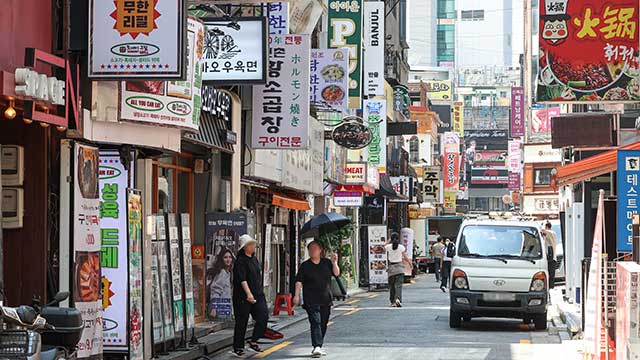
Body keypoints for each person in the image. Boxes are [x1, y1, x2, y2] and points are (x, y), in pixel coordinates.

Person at [293, 241, 340, 358]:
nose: (312, 251)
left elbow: (337, 273)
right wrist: (296, 295)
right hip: (311, 299)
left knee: (323, 323)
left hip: (325, 298)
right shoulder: (305, 265)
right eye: (310, 249)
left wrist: (335, 262)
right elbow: (299, 281)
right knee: (316, 321)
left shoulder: (327, 263)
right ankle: (317, 346)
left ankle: (319, 345)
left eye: (315, 248)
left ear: (320, 250)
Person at [231, 235, 268, 357]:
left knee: (263, 317)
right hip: (243, 296)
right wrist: (248, 294)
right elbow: (242, 279)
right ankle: (238, 348)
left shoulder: (254, 259)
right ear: (245, 247)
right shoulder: (240, 261)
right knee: (242, 321)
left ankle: (253, 341)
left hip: (257, 293)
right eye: (251, 244)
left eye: (253, 244)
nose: (253, 246)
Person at [385, 233, 413, 307]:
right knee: (398, 285)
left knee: (392, 286)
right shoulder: (401, 247)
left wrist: (389, 240)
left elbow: (383, 246)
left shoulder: (388, 247)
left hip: (391, 269)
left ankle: (392, 302)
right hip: (399, 268)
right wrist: (410, 264)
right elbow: (405, 257)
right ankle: (398, 299)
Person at [209, 248, 234, 318]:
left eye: (230, 257)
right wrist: (214, 308)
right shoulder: (222, 273)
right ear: (221, 259)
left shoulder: (228, 273)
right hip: (221, 309)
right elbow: (215, 291)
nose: (228, 259)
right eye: (225, 257)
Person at [541, 222, 558, 288]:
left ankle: (550, 289)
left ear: (546, 226)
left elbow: (544, 231)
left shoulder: (551, 233)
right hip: (548, 258)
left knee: (551, 276)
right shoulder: (546, 235)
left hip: (551, 259)